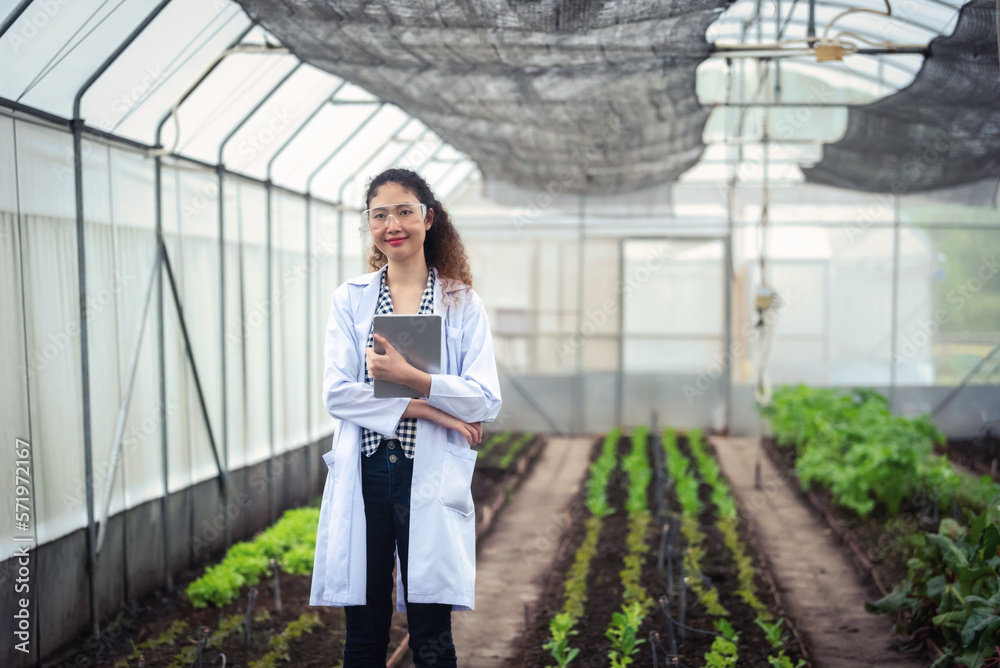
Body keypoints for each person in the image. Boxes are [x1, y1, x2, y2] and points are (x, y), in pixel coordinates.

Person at [310, 167, 502, 667]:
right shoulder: (350, 299)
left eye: (404, 211)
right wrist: (430, 410)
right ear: (369, 225)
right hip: (369, 473)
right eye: (379, 214)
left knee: (432, 632)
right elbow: (337, 394)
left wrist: (412, 377)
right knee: (365, 630)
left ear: (428, 218)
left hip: (429, 474)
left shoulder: (461, 302)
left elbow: (484, 399)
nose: (392, 223)